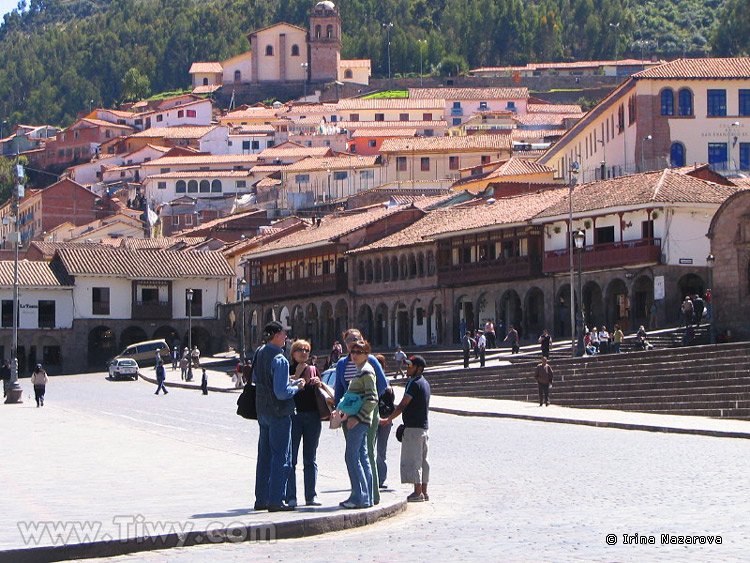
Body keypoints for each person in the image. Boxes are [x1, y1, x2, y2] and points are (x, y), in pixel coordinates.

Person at [254, 320, 305, 512]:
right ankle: (276, 500)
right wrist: (296, 386)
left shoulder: (260, 353)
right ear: (276, 336)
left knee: (264, 456)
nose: (286, 337)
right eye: (284, 334)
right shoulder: (280, 359)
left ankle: (261, 498)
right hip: (279, 412)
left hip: (262, 411)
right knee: (281, 456)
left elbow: (259, 380)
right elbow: (281, 392)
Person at [334, 328, 388, 506]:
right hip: (350, 413)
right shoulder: (345, 364)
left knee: (356, 455)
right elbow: (340, 388)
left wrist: (363, 410)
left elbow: (378, 390)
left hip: (362, 415)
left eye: (356, 342)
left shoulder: (367, 366)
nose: (352, 346)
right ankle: (366, 496)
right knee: (361, 454)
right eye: (349, 341)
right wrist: (339, 409)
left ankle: (364, 496)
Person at [380, 355, 430, 503]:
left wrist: (389, 419)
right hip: (423, 427)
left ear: (419, 369)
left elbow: (403, 404)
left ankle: (417, 492)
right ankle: (424, 492)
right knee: (423, 461)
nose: (407, 368)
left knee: (413, 460)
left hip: (413, 428)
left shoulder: (413, 384)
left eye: (410, 366)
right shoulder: (425, 383)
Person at [339, 339, 378, 509]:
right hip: (357, 419)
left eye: (359, 352)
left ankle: (359, 497)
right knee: (362, 457)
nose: (354, 355)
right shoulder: (360, 370)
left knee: (351, 456)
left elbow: (372, 398)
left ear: (366, 354)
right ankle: (366, 497)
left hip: (359, 421)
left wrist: (358, 418)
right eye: (352, 352)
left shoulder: (366, 372)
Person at [285, 339, 323, 508]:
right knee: (291, 459)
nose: (303, 352)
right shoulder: (287, 369)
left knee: (310, 459)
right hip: (294, 417)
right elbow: (283, 390)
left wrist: (318, 383)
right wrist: (297, 376)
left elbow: (321, 391)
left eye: (306, 350)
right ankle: (290, 496)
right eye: (300, 349)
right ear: (293, 353)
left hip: (313, 416)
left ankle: (311, 496)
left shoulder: (313, 369)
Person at [373, 354, 395, 489]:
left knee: (382, 451)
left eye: (380, 365)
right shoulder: (369, 380)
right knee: (368, 449)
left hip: (386, 418)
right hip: (373, 418)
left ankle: (381, 479)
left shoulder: (387, 381)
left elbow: (391, 402)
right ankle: (371, 477)